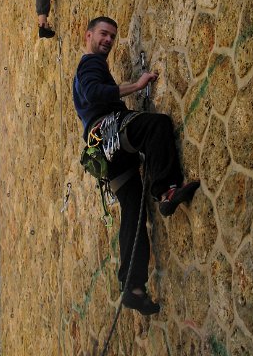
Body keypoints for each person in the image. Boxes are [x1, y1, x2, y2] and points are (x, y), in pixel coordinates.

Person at [73, 16, 200, 315]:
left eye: (112, 37)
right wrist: (136, 85)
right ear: (88, 35)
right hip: (109, 134)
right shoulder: (90, 64)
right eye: (103, 34)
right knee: (156, 126)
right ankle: (167, 191)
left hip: (104, 153)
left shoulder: (89, 67)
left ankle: (132, 287)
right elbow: (94, 93)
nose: (108, 40)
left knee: (132, 209)